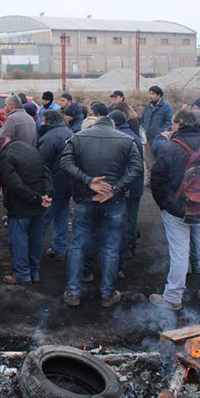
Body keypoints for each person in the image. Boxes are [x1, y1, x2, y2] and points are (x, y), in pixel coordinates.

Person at [149, 109, 200, 309]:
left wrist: (167, 206)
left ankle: (173, 297)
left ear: (180, 124)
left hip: (177, 209)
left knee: (179, 252)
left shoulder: (169, 148)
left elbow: (157, 182)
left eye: (174, 123)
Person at [60, 115, 143, 308]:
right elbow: (138, 168)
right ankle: (107, 293)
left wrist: (88, 180)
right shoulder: (126, 139)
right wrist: (115, 189)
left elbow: (64, 163)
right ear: (112, 125)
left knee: (77, 246)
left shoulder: (78, 137)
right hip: (113, 202)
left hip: (84, 200)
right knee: (111, 248)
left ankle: (73, 292)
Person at [0, 134, 53, 285]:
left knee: (18, 240)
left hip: (21, 205)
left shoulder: (5, 156)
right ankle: (34, 271)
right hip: (39, 204)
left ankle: (22, 274)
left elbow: (14, 184)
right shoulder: (31, 148)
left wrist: (36, 198)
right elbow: (46, 173)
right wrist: (47, 194)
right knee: (35, 238)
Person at [0, 95, 36, 241]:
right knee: (18, 195)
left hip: (10, 163)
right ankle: (14, 224)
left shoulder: (12, 119)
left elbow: (1, 140)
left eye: (5, 105)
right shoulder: (30, 119)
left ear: (11, 105)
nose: (4, 107)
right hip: (27, 163)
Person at [108, 111, 145, 268]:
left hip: (126, 185)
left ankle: (127, 248)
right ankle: (129, 246)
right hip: (135, 184)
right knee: (131, 216)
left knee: (125, 218)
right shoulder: (132, 135)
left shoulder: (120, 137)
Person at [38, 110, 73, 259]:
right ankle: (60, 248)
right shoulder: (69, 133)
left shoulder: (49, 138)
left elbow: (42, 163)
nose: (41, 123)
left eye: (43, 120)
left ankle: (34, 251)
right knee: (62, 218)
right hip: (69, 183)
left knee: (43, 220)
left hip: (52, 185)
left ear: (48, 121)